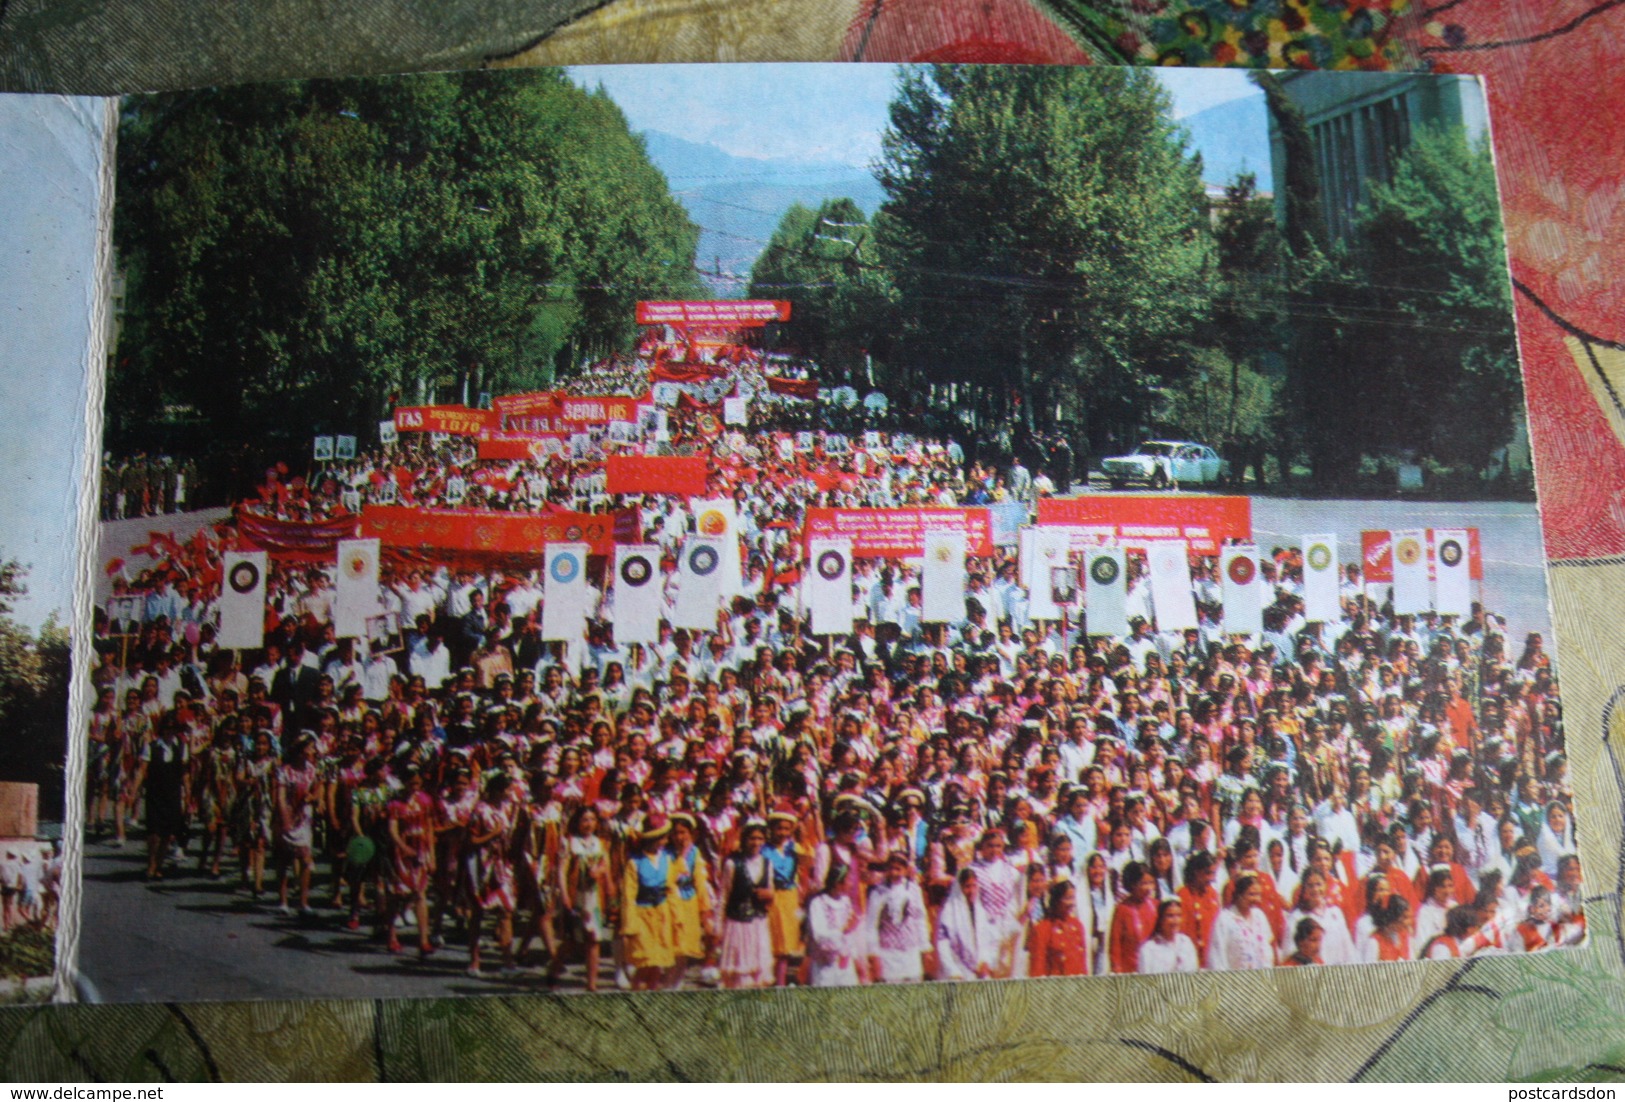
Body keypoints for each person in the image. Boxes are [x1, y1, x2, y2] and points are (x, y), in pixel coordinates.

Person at [464, 773, 520, 977]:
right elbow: (472, 841)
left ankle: (507, 959)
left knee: (506, 912)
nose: (510, 793)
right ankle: (474, 960)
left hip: (502, 867)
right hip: (482, 866)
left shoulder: (506, 809)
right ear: (497, 790)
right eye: (507, 789)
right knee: (478, 913)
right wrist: (492, 834)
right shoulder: (480, 810)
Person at [383, 764, 436, 957]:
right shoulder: (395, 803)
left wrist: (432, 856)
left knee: (420, 894)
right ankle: (391, 936)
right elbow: (392, 830)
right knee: (396, 895)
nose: (415, 786)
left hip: (420, 851)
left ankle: (423, 939)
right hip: (401, 854)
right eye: (411, 783)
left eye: (418, 783)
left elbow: (429, 828)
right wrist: (403, 847)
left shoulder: (425, 800)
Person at [717, 819, 777, 989]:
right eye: (752, 838)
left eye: (760, 838)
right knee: (739, 974)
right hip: (738, 924)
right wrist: (718, 925)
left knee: (758, 972)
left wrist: (769, 895)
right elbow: (724, 895)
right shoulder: (732, 863)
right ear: (744, 840)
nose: (756, 843)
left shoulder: (767, 863)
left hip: (758, 923)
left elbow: (771, 891)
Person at [621, 815, 678, 990]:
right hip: (642, 914)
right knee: (645, 961)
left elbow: (670, 888)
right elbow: (628, 895)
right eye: (662, 837)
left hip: (662, 914)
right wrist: (630, 924)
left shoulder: (667, 859)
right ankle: (636, 994)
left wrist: (676, 916)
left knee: (658, 963)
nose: (665, 841)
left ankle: (652, 995)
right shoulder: (635, 862)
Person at [867, 850, 930, 983]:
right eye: (891, 868)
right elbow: (871, 925)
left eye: (898, 869)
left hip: (911, 951)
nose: (894, 873)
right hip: (888, 953)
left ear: (906, 870)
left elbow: (920, 919)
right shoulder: (878, 892)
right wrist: (874, 955)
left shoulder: (914, 890)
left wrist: (924, 948)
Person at [806, 864, 862, 987]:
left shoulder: (846, 901)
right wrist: (843, 930)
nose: (851, 883)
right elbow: (819, 936)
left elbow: (851, 935)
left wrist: (853, 955)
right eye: (848, 880)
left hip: (845, 963)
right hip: (825, 965)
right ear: (838, 883)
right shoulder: (818, 903)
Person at [1207, 873, 1276, 971]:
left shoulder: (1259, 916)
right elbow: (1217, 957)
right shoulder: (1224, 919)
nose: (1257, 899)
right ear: (1239, 894)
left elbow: (1268, 949)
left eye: (1259, 895)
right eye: (1251, 894)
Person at [935, 867, 990, 981]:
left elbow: (986, 940)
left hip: (979, 972)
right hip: (957, 972)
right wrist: (953, 971)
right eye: (967, 886)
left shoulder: (980, 911)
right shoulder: (948, 912)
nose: (971, 891)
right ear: (959, 888)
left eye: (974, 886)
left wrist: (985, 961)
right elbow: (943, 946)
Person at [1137, 899, 1198, 974]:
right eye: (1170, 916)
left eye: (1179, 915)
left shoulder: (1186, 943)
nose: (1175, 920)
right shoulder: (1149, 949)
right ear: (1161, 919)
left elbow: (1194, 973)